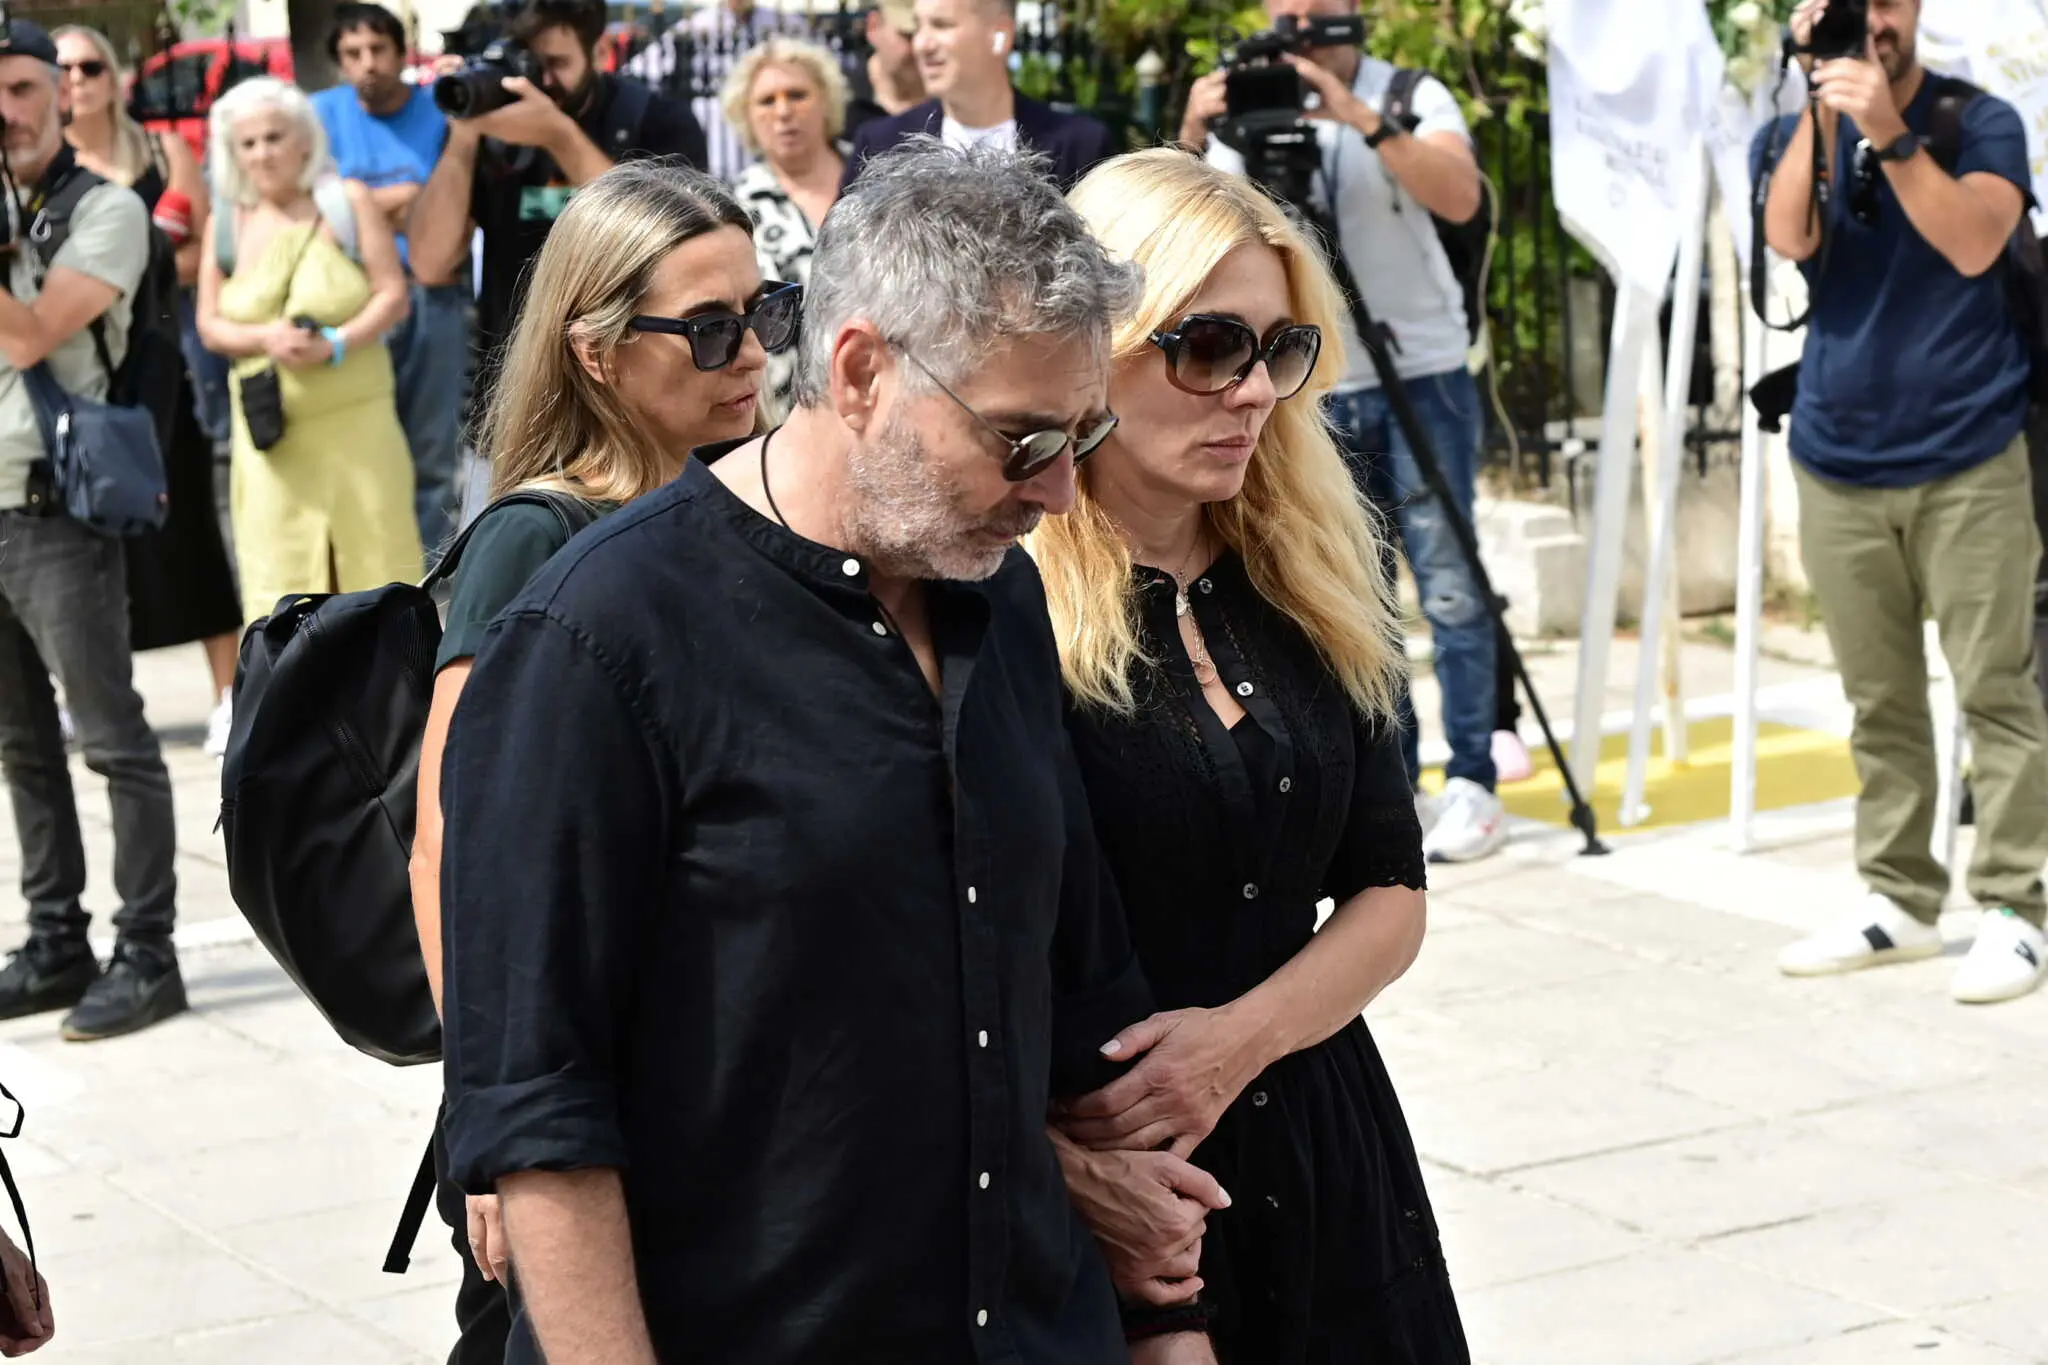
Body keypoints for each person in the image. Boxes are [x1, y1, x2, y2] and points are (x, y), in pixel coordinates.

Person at [436, 141, 1231, 1363]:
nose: (1059, 495)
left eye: (1083, 436)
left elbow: (1082, 1006)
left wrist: (1168, 1329)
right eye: (1021, 441)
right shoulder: (598, 637)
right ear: (859, 371)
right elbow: (540, 1110)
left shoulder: (1000, 599)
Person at [1035, 147, 1467, 1364]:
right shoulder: (994, 607)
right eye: (1209, 346)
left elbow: (1390, 887)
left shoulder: (1315, 574)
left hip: (1326, 1157)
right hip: (1113, 1201)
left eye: (1279, 351)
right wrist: (1067, 1171)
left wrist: (1239, 1041)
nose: (1250, 392)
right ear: (1092, 346)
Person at [408, 159, 777, 1365]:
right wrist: (494, 1124)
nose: (751, 353)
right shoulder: (536, 539)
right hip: (572, 1091)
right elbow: (450, 845)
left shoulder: (738, 506)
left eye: (765, 312)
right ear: (597, 350)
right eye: (709, 328)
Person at [1758, 0, 2048, 1005]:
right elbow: (1785, 233)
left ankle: (2015, 904)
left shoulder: (1979, 120)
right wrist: (1820, 106)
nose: (1868, 19)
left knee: (1995, 688)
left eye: (1884, 2)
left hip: (1969, 455)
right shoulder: (1799, 125)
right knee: (1877, 701)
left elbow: (1973, 243)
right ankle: (1899, 897)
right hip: (1836, 460)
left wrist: (1888, 130)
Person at [1184, 0, 1503, 863]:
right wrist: (1195, 131)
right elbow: (1185, 235)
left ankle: (1473, 776)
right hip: (1306, 384)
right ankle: (1395, 780)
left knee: (1449, 582)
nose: (1297, 26)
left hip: (1421, 369)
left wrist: (1355, 115)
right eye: (1283, 13)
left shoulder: (1407, 94)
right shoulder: (1242, 102)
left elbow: (1461, 195)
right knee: (1354, 593)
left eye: (1314, 13)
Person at [0, 20, 185, 1042]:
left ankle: (148, 953)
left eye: (23, 88)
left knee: (112, 740)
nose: (7, 112)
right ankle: (54, 943)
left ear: (62, 96)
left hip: (57, 513)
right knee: (21, 747)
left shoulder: (105, 208)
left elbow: (32, 334)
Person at [54, 25, 242, 758]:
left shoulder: (162, 154)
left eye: (89, 66)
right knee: (74, 545)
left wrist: (105, 269)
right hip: (70, 371)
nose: (76, 81)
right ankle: (78, 696)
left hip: (157, 363)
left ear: (114, 75)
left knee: (188, 523)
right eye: (62, 69)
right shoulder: (40, 168)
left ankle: (228, 697)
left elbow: (198, 253)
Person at [412, 0, 708, 430]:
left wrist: (558, 136)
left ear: (599, 52)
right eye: (526, 63)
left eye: (555, 63)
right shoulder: (490, 128)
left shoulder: (656, 120)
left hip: (636, 400)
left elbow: (675, 246)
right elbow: (429, 263)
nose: (540, 81)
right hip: (518, 403)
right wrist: (464, 136)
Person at [196, 77, 423, 625]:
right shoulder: (224, 223)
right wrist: (266, 339)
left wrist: (337, 344)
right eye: (248, 143)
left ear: (304, 140)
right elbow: (209, 325)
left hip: (358, 428)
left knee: (377, 577)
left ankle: (393, 681)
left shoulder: (347, 201)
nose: (262, 153)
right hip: (271, 442)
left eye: (274, 137)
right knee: (281, 595)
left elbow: (393, 295)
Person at [314, 2, 470, 556]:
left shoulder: (440, 111)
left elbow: (453, 206)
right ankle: (369, 571)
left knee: (431, 452)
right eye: (353, 53)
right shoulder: (318, 115)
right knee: (357, 448)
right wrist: (403, 200)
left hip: (433, 295)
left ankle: (423, 577)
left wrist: (358, 206)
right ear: (339, 62)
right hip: (354, 301)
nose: (368, 63)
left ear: (401, 53)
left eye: (378, 49)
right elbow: (314, 211)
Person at [842, 0, 1115, 192]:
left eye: (941, 25)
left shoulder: (1080, 147)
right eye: (918, 27)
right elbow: (840, 251)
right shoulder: (882, 145)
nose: (922, 44)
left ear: (1000, 34)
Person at [722, 37, 848, 417]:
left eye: (797, 95)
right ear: (746, 117)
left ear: (826, 100)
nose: (783, 111)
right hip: (785, 414)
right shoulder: (734, 209)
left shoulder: (874, 176)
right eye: (766, 101)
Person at [844, 0, 926, 137]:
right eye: (909, 35)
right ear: (873, 27)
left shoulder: (955, 105)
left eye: (936, 29)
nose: (923, 46)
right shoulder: (841, 102)